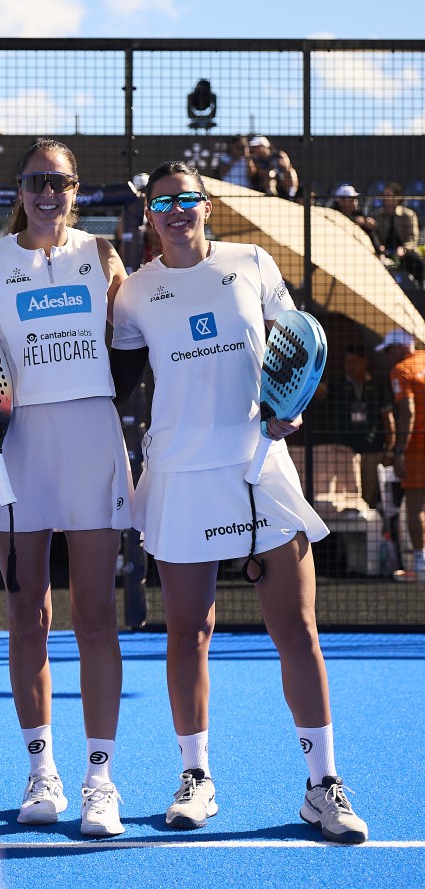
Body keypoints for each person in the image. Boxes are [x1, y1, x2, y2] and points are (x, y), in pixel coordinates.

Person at [111, 160, 369, 843]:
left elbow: (296, 346)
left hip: (261, 468)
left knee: (298, 629)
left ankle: (323, 786)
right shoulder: (134, 294)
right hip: (179, 475)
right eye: (162, 201)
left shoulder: (252, 261)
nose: (176, 210)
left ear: (206, 205)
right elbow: (115, 379)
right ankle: (195, 776)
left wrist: (294, 408)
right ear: (148, 214)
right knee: (188, 631)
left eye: (187, 198)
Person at [0, 138, 133, 837]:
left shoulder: (104, 256)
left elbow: (141, 337)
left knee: (96, 615)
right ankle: (41, 770)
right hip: (17, 447)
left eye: (59, 181)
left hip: (91, 440)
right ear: (19, 189)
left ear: (76, 188)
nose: (48, 192)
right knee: (28, 612)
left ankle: (99, 778)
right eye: (36, 180)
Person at [319, 342, 394, 508]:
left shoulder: (377, 387)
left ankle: (369, 532)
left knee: (369, 498)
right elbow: (319, 392)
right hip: (345, 452)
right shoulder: (336, 384)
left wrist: (390, 451)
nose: (350, 367)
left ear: (365, 362)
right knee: (345, 498)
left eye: (354, 362)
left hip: (372, 451)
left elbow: (388, 421)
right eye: (347, 362)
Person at [377, 328, 425, 581]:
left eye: (388, 350)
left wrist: (400, 451)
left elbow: (407, 411)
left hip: (417, 446)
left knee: (415, 506)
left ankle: (421, 564)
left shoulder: (401, 370)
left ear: (399, 348)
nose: (386, 356)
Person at [372, 182, 423, 286]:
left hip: (404, 253)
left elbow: (413, 237)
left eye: (389, 195)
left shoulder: (408, 215)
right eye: (384, 195)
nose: (385, 198)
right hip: (384, 253)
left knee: (416, 262)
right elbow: (374, 236)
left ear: (398, 197)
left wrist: (404, 249)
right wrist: (379, 248)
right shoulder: (377, 216)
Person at [332, 184, 382, 252]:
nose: (355, 202)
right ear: (341, 202)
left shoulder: (359, 213)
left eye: (355, 198)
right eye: (351, 199)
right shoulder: (332, 214)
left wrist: (369, 225)